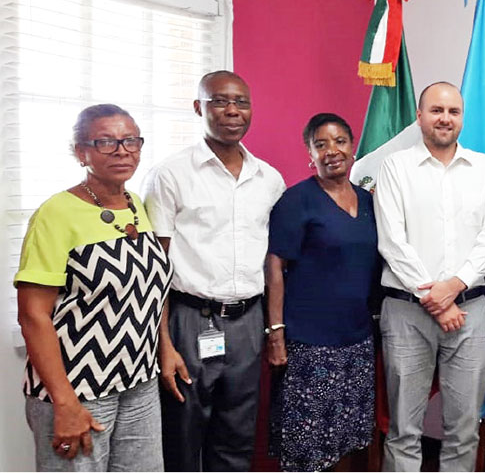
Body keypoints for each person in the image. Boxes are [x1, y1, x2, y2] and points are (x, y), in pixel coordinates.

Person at [16, 104, 172, 471]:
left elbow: (148, 292)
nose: (122, 150)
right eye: (106, 142)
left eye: (131, 141)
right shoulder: (56, 214)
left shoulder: (138, 206)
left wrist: (165, 348)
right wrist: (65, 402)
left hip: (140, 383)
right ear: (80, 151)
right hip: (78, 389)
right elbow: (33, 315)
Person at [143, 70, 285, 471]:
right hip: (188, 320)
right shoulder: (170, 174)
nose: (232, 111)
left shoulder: (269, 179)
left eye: (240, 102)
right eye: (220, 101)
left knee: (237, 434)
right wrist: (163, 344)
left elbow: (275, 259)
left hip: (246, 322)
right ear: (198, 107)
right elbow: (154, 268)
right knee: (183, 433)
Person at [374, 81, 485, 472]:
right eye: (436, 110)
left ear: (462, 118)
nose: (445, 118)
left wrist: (453, 287)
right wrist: (434, 298)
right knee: (404, 429)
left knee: (464, 429)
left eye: (453, 111)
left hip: (468, 313)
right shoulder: (395, 167)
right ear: (419, 116)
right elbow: (392, 241)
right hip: (406, 315)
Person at [264, 113, 379, 471]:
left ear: (353, 147)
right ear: (309, 154)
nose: (332, 150)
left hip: (357, 339)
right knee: (307, 442)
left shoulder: (370, 202)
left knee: (346, 436)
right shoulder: (297, 200)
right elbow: (275, 267)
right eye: (321, 144)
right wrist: (276, 333)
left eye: (340, 141)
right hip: (310, 343)